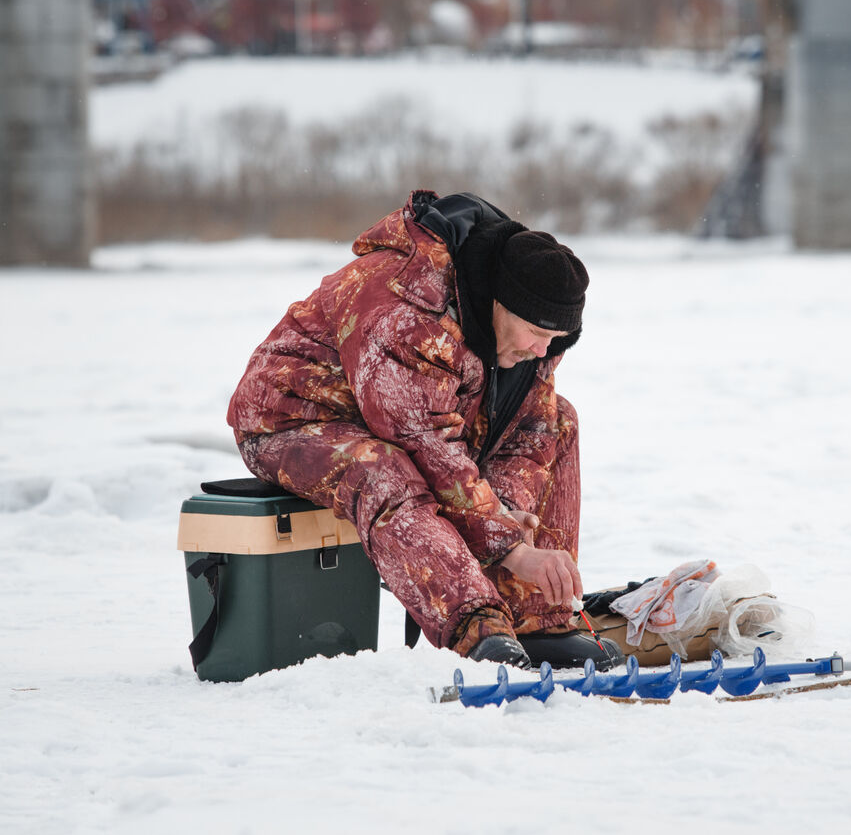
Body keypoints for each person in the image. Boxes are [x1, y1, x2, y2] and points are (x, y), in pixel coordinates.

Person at [226, 190, 622, 671]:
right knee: (383, 470)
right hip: (293, 419)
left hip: (411, 418)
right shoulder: (406, 304)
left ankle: (537, 623)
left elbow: (527, 426)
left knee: (557, 419)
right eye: (536, 335)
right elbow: (423, 447)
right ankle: (479, 627)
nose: (542, 352)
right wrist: (511, 549)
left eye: (554, 342)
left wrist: (507, 513)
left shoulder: (528, 334)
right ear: (499, 301)